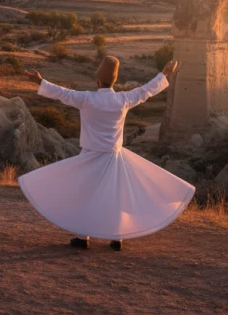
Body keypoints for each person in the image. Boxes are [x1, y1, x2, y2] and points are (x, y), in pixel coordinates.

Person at [18, 56, 193, 251]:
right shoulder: (123, 99)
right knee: (114, 198)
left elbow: (62, 93)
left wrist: (39, 81)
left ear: (98, 81)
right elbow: (146, 91)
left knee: (84, 197)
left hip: (89, 156)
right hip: (113, 157)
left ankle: (82, 237)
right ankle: (116, 239)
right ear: (114, 81)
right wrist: (165, 73)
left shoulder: (87, 99)